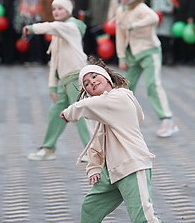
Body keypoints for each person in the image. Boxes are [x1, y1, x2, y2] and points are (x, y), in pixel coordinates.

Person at [60, 59, 160, 223]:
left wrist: (69, 112)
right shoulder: (103, 112)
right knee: (90, 208)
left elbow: (86, 105)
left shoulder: (120, 97)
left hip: (132, 165)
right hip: (112, 170)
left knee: (143, 218)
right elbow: (97, 142)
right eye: (86, 83)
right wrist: (94, 168)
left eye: (94, 76)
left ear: (107, 78)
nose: (91, 82)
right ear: (88, 91)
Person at [24, 0, 91, 160]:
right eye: (54, 9)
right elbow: (54, 61)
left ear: (69, 10)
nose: (56, 11)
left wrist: (31, 29)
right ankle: (48, 148)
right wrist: (52, 85)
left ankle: (93, 152)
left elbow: (51, 26)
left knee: (82, 114)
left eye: (60, 8)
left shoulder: (71, 26)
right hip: (64, 79)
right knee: (56, 113)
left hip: (76, 76)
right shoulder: (58, 31)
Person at [115, 0, 178, 137]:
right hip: (132, 54)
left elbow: (154, 18)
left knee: (153, 85)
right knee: (125, 88)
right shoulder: (121, 10)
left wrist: (134, 25)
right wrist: (121, 57)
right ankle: (125, 121)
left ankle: (167, 120)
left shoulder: (142, 8)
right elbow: (119, 35)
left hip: (150, 51)